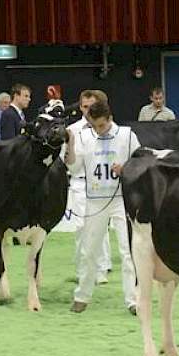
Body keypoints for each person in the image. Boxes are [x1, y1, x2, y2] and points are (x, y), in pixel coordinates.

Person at [64, 101, 141, 315]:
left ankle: (133, 300)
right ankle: (82, 295)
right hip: (95, 199)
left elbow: (141, 162)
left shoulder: (127, 135)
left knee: (128, 251)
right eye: (94, 126)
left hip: (121, 198)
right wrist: (69, 145)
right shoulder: (84, 136)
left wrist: (126, 168)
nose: (98, 130)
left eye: (101, 125)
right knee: (90, 250)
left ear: (110, 118)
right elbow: (74, 166)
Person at [65, 89, 112, 285]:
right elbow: (66, 159)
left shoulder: (108, 128)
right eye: (84, 107)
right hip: (79, 182)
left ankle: (101, 269)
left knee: (101, 228)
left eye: (91, 106)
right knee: (81, 228)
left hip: (101, 183)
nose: (87, 110)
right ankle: (83, 270)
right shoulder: (73, 130)